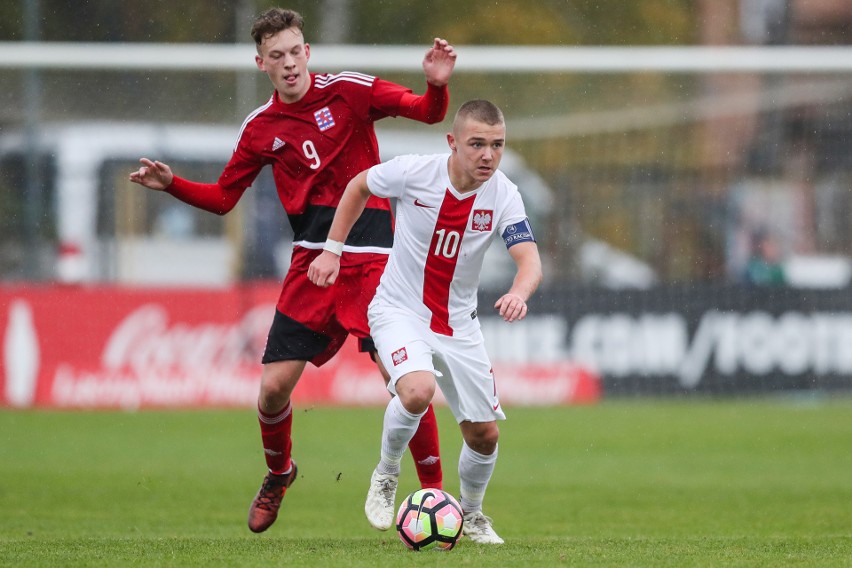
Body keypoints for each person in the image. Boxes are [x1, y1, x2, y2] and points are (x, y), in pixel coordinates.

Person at [129, 7, 456, 534]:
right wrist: (173, 185)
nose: (288, 64)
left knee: (405, 384)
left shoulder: (350, 91)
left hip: (372, 260)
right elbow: (222, 198)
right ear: (261, 63)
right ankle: (279, 474)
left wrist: (436, 87)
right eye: (275, 56)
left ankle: (435, 494)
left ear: (309, 52)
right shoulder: (260, 128)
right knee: (273, 391)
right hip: (311, 262)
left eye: (295, 51)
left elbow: (427, 112)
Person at [308, 99, 543, 544]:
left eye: (497, 145)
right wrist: (332, 250)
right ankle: (386, 474)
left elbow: (529, 259)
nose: (488, 156)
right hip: (398, 310)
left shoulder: (504, 194)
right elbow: (359, 185)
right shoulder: (416, 172)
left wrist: (518, 291)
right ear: (452, 143)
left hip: (459, 324)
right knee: (417, 390)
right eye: (477, 144)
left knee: (484, 435)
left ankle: (471, 515)